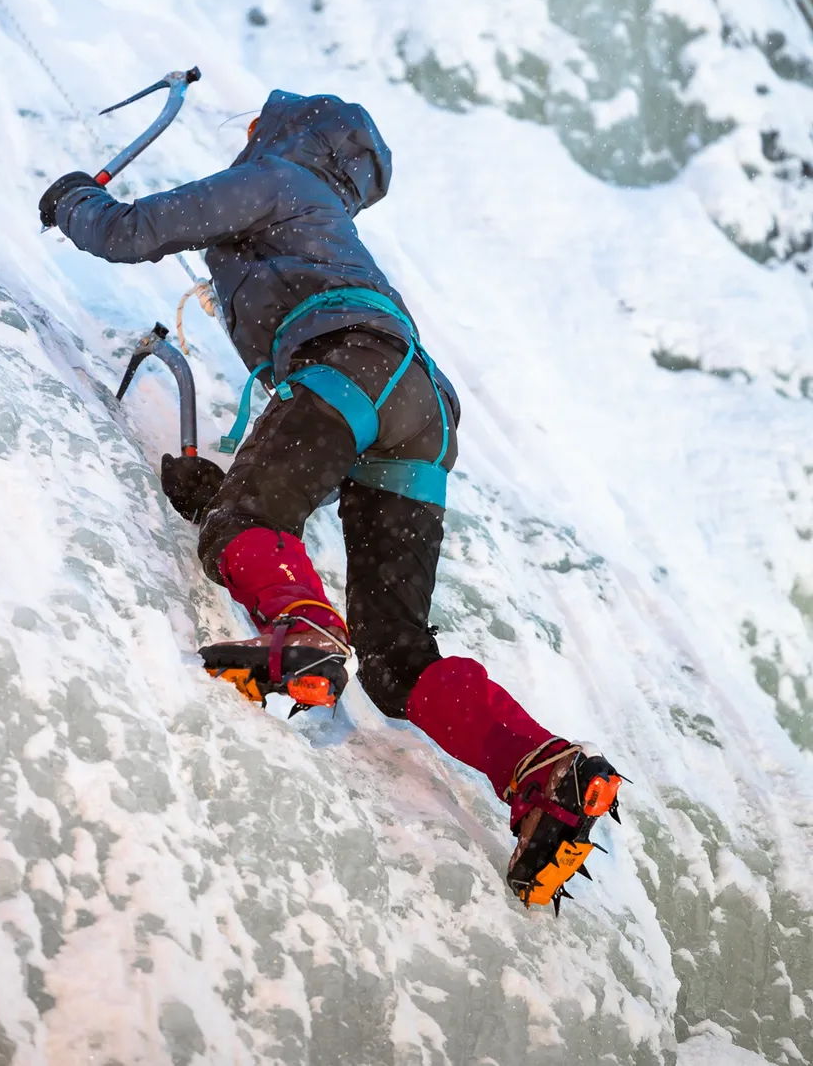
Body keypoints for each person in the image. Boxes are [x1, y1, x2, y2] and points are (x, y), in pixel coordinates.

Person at [38, 89, 620, 909]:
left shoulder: (278, 180)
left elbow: (130, 231)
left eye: (259, 127)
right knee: (396, 658)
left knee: (251, 525)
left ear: (293, 134)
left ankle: (303, 638)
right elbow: (317, 452)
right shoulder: (333, 230)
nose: (250, 135)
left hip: (351, 362)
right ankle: (548, 773)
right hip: (422, 409)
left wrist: (72, 200)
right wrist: (225, 490)